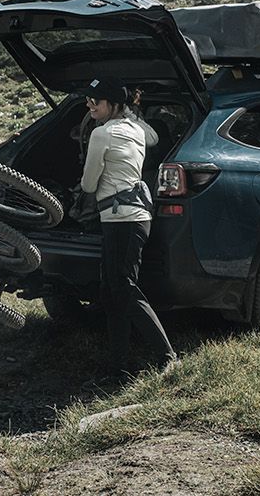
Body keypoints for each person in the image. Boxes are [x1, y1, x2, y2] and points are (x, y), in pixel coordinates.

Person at [79, 77, 176, 374]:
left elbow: (88, 183)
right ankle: (118, 366)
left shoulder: (101, 134)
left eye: (96, 101)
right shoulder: (136, 129)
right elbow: (154, 139)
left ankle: (167, 357)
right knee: (112, 291)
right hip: (135, 218)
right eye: (88, 100)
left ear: (113, 104)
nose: (90, 105)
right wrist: (132, 110)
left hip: (120, 219)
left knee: (123, 287)